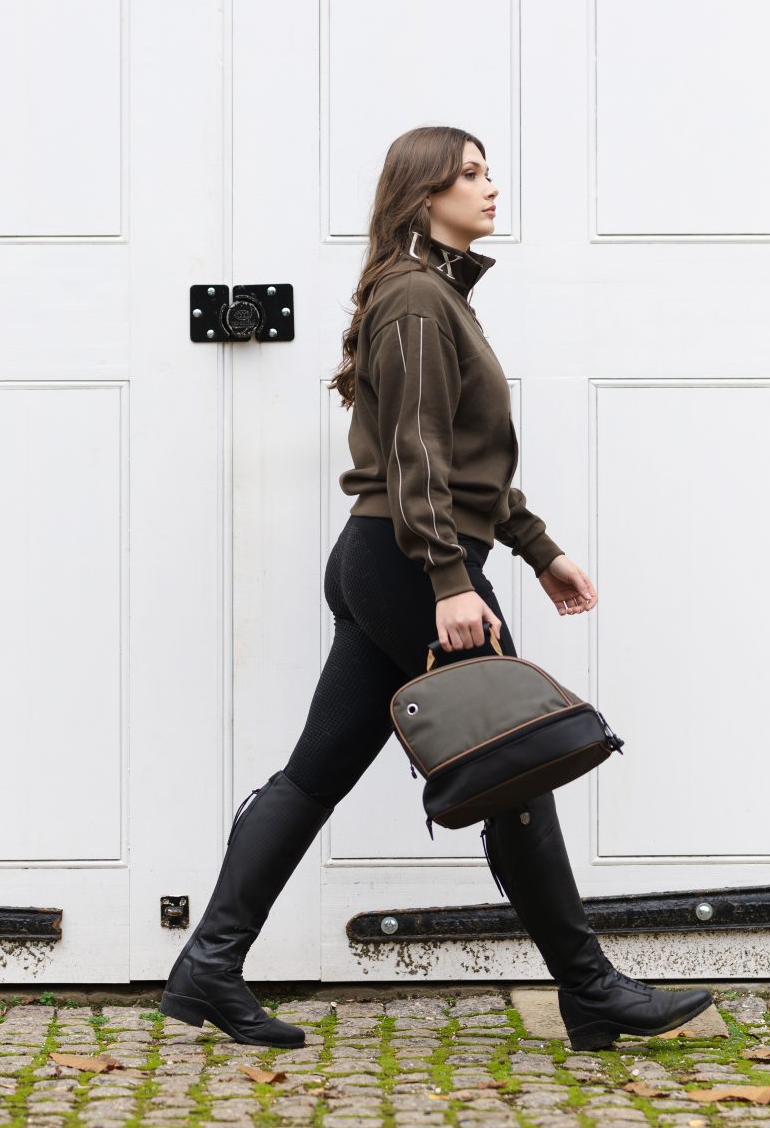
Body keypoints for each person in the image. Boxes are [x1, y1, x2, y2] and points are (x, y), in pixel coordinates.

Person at [160, 126, 712, 1052]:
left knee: (317, 772)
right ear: (424, 195)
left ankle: (209, 965)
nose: (490, 187)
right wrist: (452, 580)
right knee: (513, 762)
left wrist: (536, 548)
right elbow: (418, 457)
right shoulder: (418, 299)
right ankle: (590, 990)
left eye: (488, 169)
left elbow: (463, 456)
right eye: (469, 174)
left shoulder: (431, 294)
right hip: (415, 563)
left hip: (393, 557)